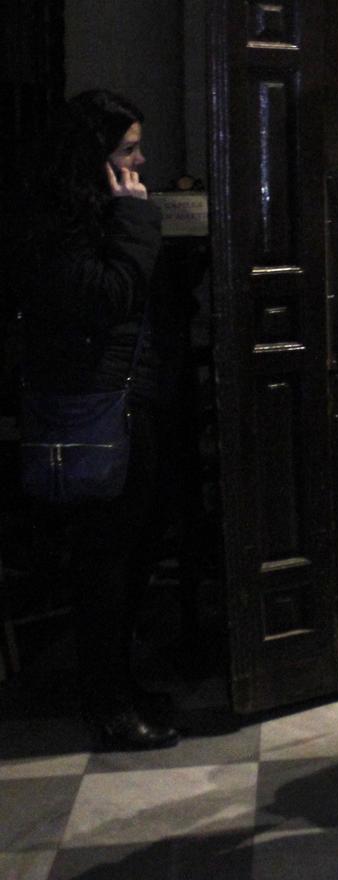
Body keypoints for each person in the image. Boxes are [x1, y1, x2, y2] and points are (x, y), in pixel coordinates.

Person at [16, 90, 179, 751]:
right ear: (93, 161)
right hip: (92, 408)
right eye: (127, 151)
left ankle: (123, 687)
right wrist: (135, 220)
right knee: (105, 564)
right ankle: (108, 704)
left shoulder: (100, 216)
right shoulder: (55, 226)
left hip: (129, 399)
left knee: (133, 556)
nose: (139, 161)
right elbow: (109, 297)